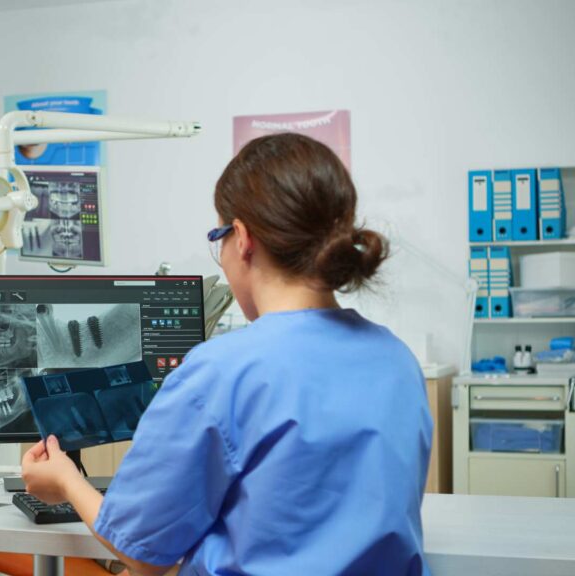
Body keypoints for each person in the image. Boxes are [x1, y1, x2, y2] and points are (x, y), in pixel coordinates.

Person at [21, 133, 432, 575]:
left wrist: (65, 479)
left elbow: (141, 553)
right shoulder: (396, 360)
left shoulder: (220, 371)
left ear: (241, 238)